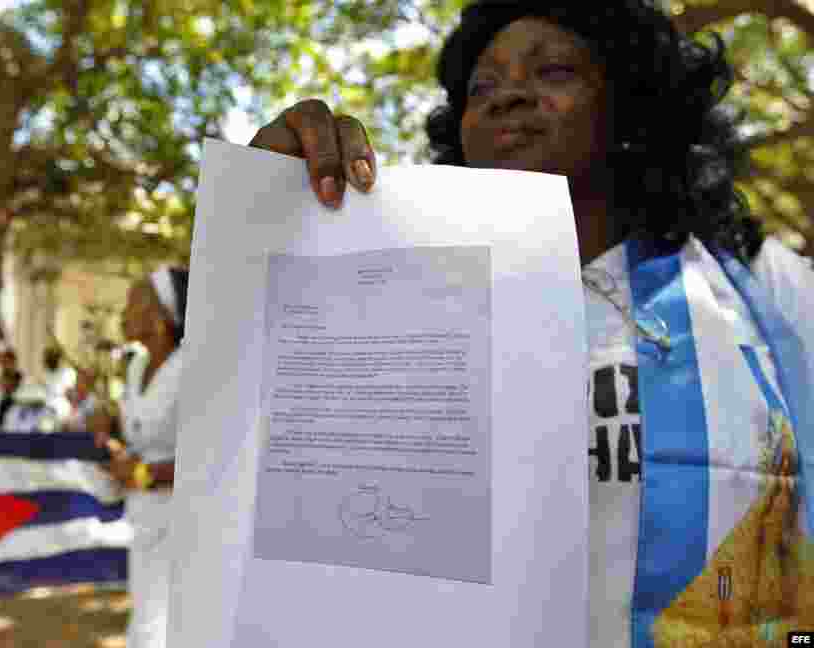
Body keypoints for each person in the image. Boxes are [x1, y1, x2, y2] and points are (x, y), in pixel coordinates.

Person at [249, 1, 811, 645]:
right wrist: (276, 216)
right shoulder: (403, 299)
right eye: (481, 86)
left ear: (627, 107)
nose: (508, 96)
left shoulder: (759, 289)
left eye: (553, 73)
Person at [93, 265, 189, 648]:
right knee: (144, 626)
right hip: (144, 518)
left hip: (181, 522)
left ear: (162, 316)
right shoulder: (135, 367)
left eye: (134, 302)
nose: (124, 313)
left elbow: (212, 457)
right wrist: (111, 439)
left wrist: (146, 473)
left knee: (157, 631)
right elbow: (140, 443)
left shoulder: (191, 370)